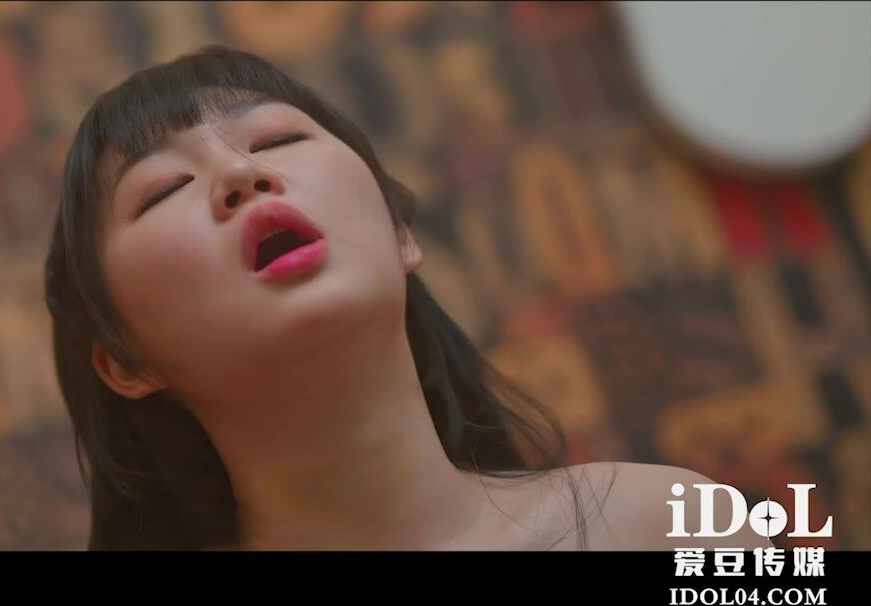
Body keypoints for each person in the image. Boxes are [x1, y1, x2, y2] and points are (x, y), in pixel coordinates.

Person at [42, 45, 773, 551]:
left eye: (277, 139)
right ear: (126, 361)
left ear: (399, 233)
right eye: (164, 189)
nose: (239, 174)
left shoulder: (669, 527)